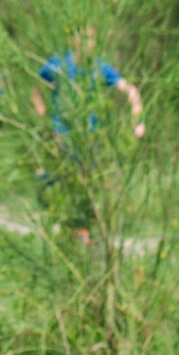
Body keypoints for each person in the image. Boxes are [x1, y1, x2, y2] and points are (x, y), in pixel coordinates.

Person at [30, 25, 145, 242]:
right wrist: (43, 115)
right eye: (83, 38)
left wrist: (137, 120)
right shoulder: (58, 65)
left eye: (91, 39)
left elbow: (130, 91)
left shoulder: (99, 68)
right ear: (72, 40)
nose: (87, 44)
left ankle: (76, 224)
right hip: (63, 133)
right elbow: (36, 90)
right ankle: (75, 227)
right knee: (73, 179)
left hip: (90, 137)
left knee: (86, 181)